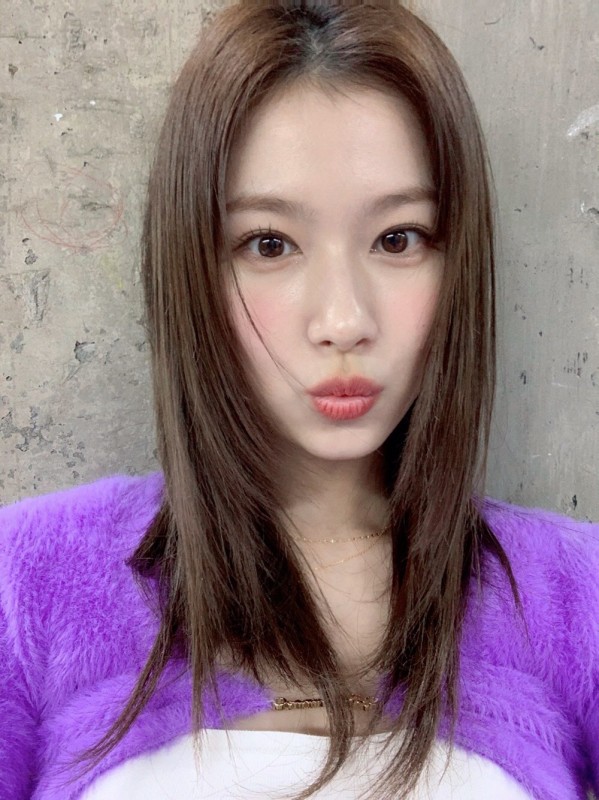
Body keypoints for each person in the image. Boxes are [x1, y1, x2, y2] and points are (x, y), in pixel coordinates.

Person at [0, 1, 598, 799]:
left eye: (397, 238)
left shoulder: (574, 598)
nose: (343, 320)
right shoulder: (29, 586)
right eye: (269, 244)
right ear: (192, 268)